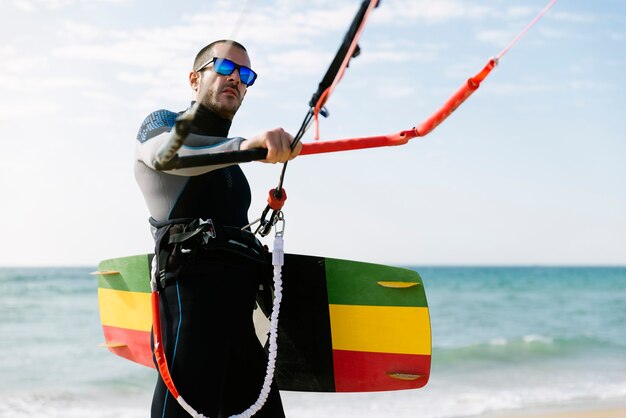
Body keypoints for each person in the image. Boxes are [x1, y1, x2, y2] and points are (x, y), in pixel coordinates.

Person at [134, 39, 301, 418]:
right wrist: (246, 145)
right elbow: (168, 157)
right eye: (224, 67)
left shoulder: (235, 176)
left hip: (240, 329)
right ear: (194, 78)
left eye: (245, 75)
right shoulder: (162, 125)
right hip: (188, 319)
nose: (236, 79)